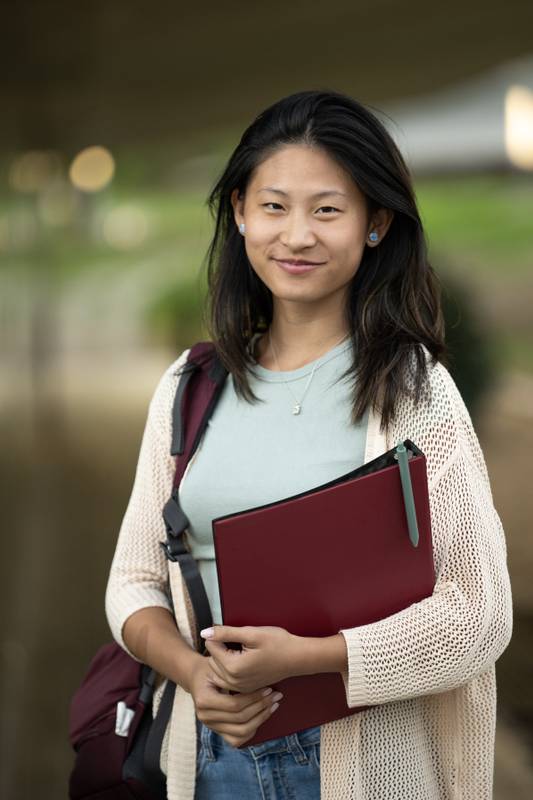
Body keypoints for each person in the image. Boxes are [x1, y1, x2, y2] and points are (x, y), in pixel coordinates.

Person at [105, 89, 513, 800]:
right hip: (209, 756)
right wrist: (193, 672)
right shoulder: (189, 385)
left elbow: (478, 613)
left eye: (327, 210)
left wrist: (316, 658)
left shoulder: (414, 392)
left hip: (358, 759)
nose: (296, 235)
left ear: (375, 222)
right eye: (273, 206)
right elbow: (133, 580)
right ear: (237, 212)